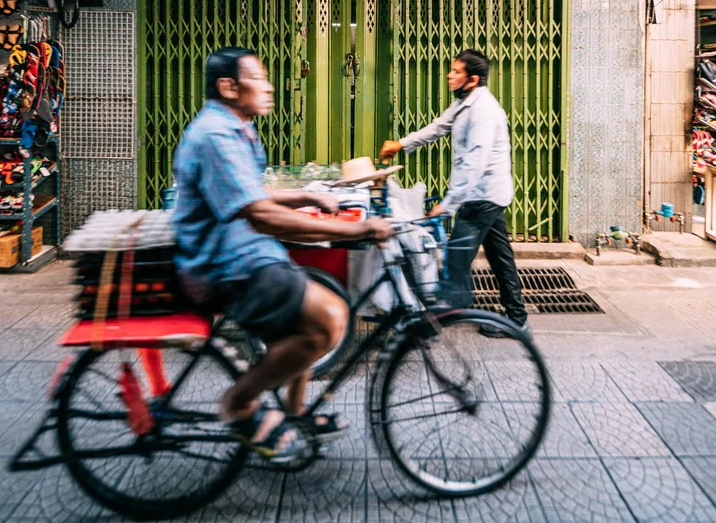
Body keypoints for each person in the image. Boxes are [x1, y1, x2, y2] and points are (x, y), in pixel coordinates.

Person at [173, 46, 392, 463]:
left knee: (310, 319)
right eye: (258, 78)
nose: (269, 86)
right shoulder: (217, 134)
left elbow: (250, 194)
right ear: (228, 86)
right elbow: (259, 215)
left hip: (244, 252)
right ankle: (237, 403)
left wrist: (304, 194)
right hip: (224, 264)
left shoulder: (234, 126)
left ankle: (293, 415)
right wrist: (354, 228)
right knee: (327, 320)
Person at [379, 48, 530, 337]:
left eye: (456, 71)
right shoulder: (465, 103)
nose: (449, 75)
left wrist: (448, 204)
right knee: (500, 258)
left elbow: (475, 164)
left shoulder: (484, 111)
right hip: (487, 195)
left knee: (455, 263)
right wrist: (401, 144)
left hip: (481, 198)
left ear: (472, 79)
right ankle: (517, 317)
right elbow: (438, 127)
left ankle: (432, 325)